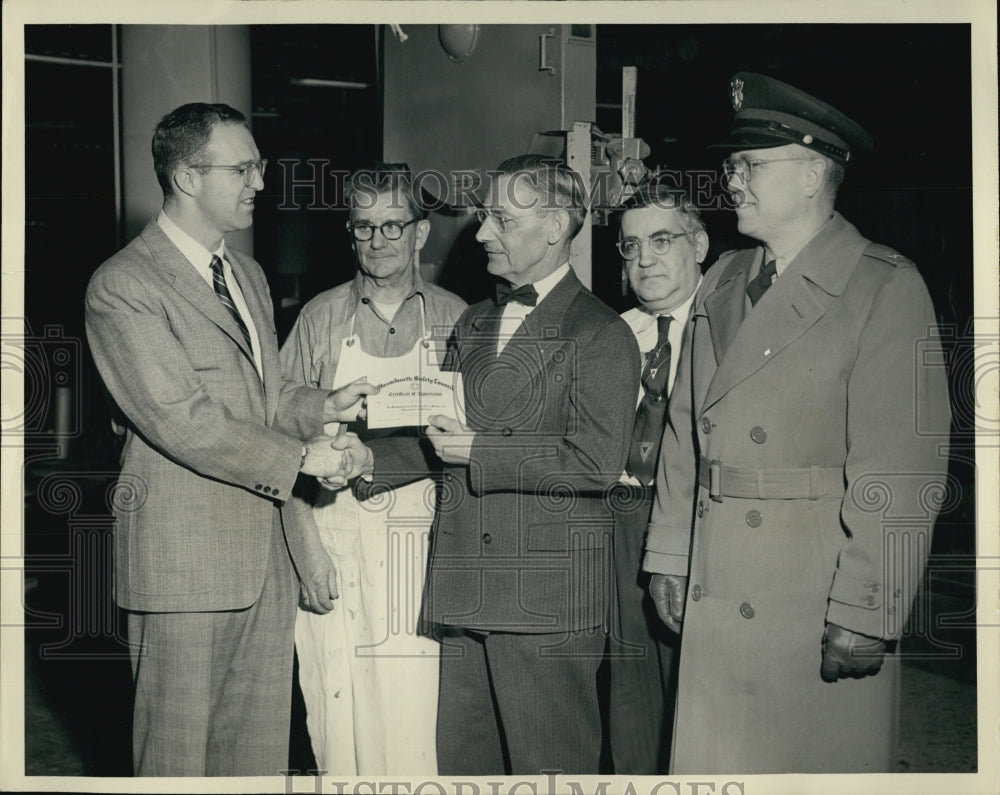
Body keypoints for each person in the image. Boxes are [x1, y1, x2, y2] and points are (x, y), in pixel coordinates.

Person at [643, 72, 952, 773]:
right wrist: (667, 550)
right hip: (717, 579)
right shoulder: (722, 278)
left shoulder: (883, 285)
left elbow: (900, 471)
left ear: (814, 173)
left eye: (750, 164)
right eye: (731, 164)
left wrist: (867, 606)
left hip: (809, 596)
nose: (733, 179)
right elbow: (687, 432)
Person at [84, 102, 373, 776]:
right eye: (243, 168)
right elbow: (181, 417)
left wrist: (320, 404)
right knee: (177, 762)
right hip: (183, 569)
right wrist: (304, 457)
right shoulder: (123, 285)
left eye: (259, 166)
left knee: (255, 762)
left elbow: (263, 398)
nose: (261, 183)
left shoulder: (247, 275)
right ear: (187, 177)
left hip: (262, 562)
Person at [360, 154, 640, 774]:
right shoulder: (474, 321)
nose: (483, 232)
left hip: (545, 599)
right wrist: (363, 461)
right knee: (466, 768)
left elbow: (594, 462)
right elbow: (441, 438)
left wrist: (482, 451)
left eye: (501, 220)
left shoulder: (602, 334)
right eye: (486, 217)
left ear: (555, 225)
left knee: (550, 769)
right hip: (463, 588)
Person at [280, 163, 467, 775]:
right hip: (336, 538)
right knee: (338, 722)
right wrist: (305, 550)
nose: (378, 240)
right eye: (364, 227)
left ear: (421, 234)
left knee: (417, 725)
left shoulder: (457, 320)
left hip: (425, 545)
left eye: (393, 225)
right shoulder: (320, 319)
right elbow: (279, 440)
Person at [607, 177, 707, 774]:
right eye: (630, 245)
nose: (643, 259)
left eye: (661, 240)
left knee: (693, 689)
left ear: (698, 244)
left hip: (697, 524)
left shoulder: (731, 334)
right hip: (619, 524)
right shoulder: (614, 336)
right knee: (630, 691)